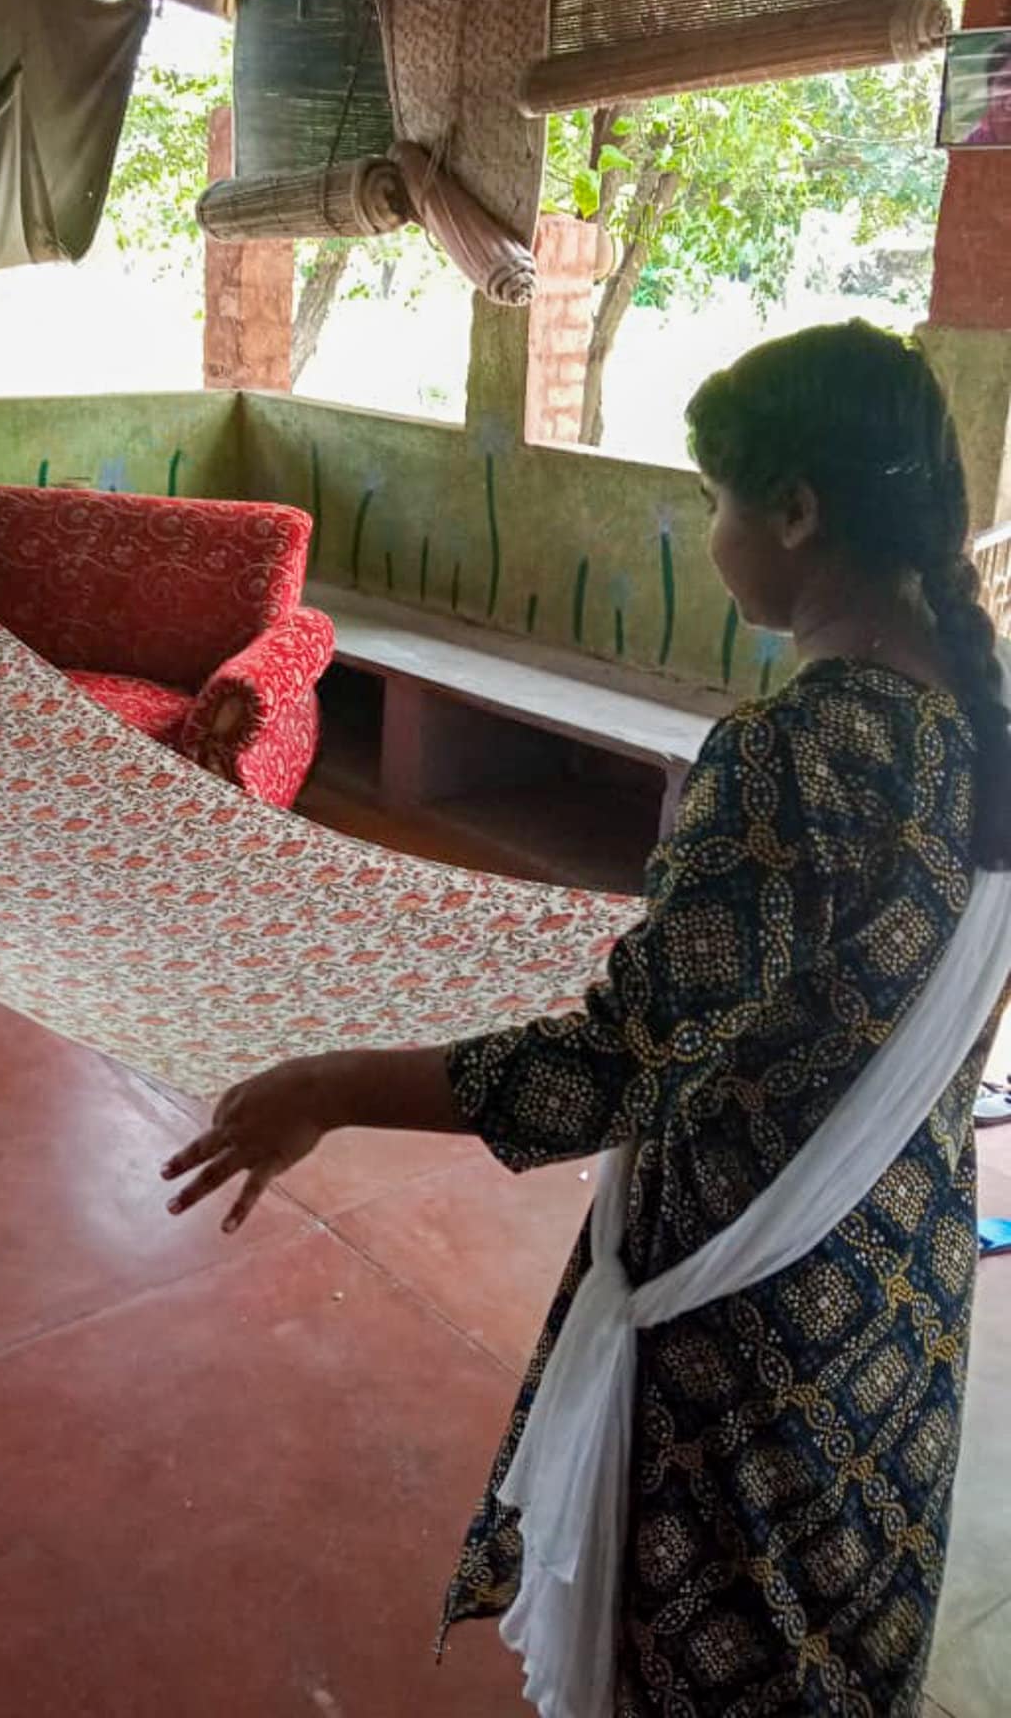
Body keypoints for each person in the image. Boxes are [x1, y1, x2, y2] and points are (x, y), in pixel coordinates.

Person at [164, 321, 1011, 1716]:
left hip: (756, 1327)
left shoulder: (797, 751)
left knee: (716, 1660)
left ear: (796, 511)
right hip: (895, 1291)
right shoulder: (977, 732)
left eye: (718, 498)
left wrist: (326, 1083)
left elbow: (616, 1069)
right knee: (833, 1657)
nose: (715, 528)